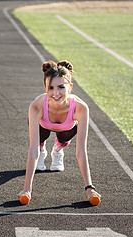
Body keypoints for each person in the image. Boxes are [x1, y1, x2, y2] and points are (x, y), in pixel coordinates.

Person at [18, 60, 101, 205]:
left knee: (64, 137)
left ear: (70, 87)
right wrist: (27, 189)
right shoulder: (36, 106)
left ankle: (57, 149)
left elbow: (81, 151)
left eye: (61, 87)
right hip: (43, 126)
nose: (55, 93)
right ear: (45, 88)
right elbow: (32, 150)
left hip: (66, 129)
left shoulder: (81, 108)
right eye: (51, 88)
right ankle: (43, 147)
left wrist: (90, 188)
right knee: (38, 143)